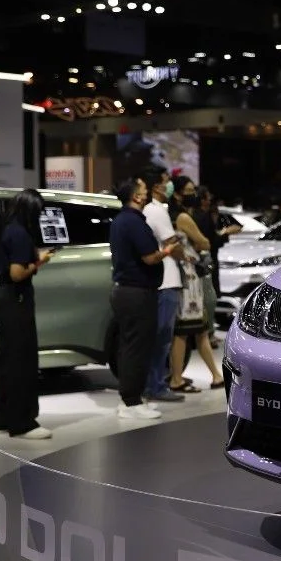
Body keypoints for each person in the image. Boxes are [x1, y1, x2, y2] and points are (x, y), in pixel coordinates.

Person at [110, 177, 180, 420]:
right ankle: (131, 402)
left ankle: (133, 398)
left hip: (127, 292)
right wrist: (168, 251)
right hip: (137, 293)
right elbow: (149, 257)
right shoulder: (134, 222)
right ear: (136, 197)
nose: (147, 192)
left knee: (131, 346)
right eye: (143, 190)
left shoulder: (121, 220)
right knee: (136, 348)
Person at [0, 190, 56, 440]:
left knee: (5, 361)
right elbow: (17, 273)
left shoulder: (3, 229)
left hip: (3, 297)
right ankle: (22, 423)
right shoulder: (20, 234)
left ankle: (1, 419)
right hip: (17, 299)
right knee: (22, 362)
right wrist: (39, 262)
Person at [168, 176, 224, 392]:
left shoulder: (170, 215)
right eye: (190, 190)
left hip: (183, 276)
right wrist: (200, 242)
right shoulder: (183, 217)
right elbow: (204, 242)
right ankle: (177, 379)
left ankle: (214, 375)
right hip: (189, 279)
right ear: (178, 193)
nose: (194, 195)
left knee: (195, 329)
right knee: (186, 330)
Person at [141, 168, 186, 405]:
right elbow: (172, 244)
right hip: (166, 281)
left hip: (162, 281)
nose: (169, 185)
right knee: (162, 338)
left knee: (159, 337)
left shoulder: (152, 210)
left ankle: (154, 383)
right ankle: (156, 385)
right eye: (166, 181)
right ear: (157, 186)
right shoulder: (156, 211)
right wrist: (184, 253)